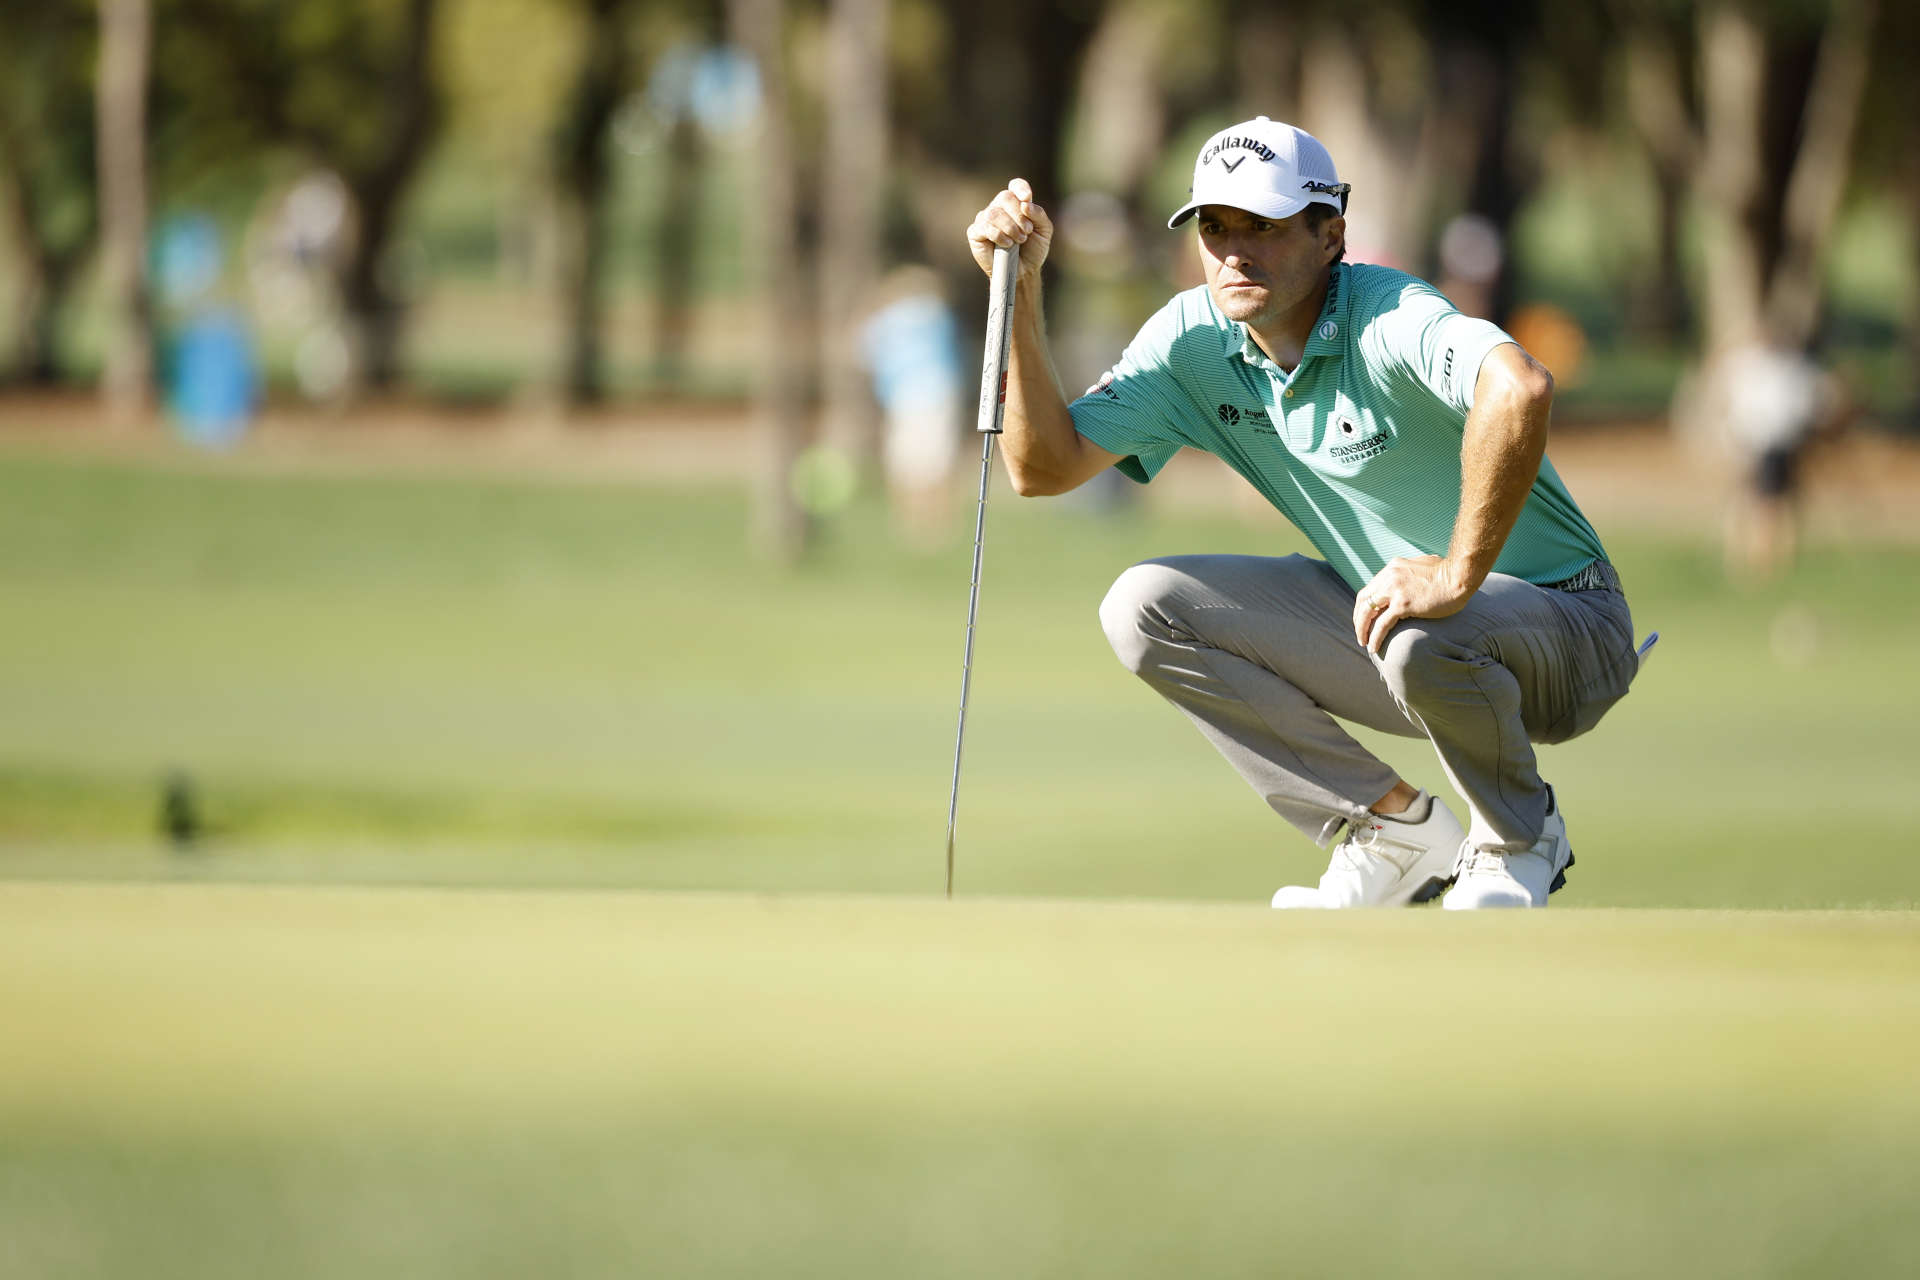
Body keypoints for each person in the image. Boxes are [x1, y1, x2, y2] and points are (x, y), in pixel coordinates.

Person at [964, 117, 1644, 909]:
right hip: (1403, 631)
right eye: (1214, 228)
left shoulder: (1388, 314)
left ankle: (1520, 837)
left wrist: (1458, 572)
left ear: (1331, 237)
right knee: (1144, 608)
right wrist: (1017, 291)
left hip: (1571, 626)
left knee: (1419, 623)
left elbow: (1520, 386)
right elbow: (1043, 467)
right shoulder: (1192, 341)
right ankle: (1393, 831)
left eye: (1265, 227)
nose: (1233, 252)